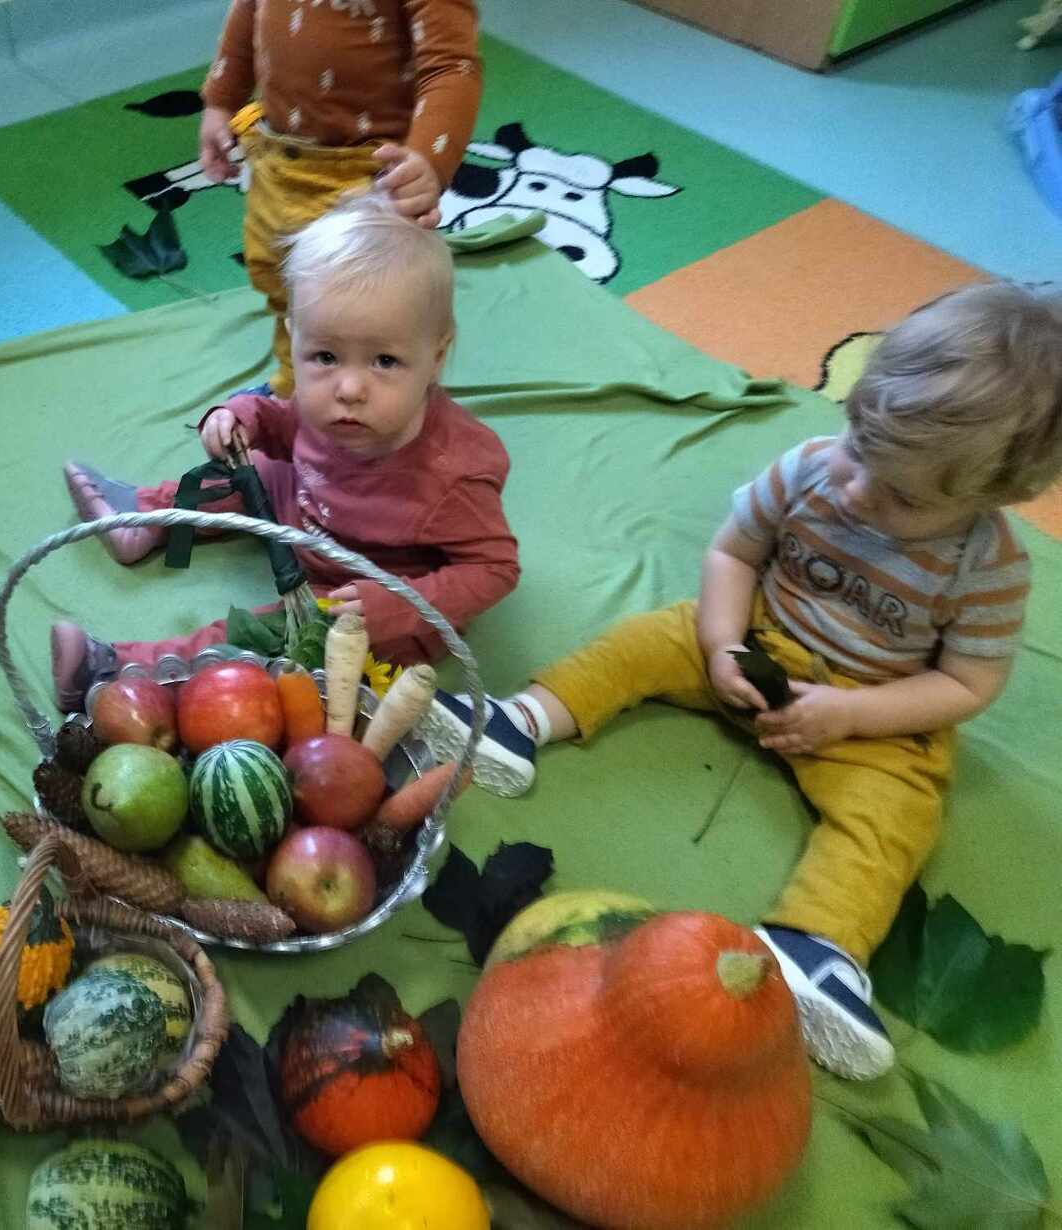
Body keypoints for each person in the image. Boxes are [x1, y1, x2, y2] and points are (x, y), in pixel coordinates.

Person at [422, 281, 1062, 1080]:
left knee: (898, 814)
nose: (856, 489)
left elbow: (967, 686)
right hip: (756, 639)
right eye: (858, 445)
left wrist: (855, 716)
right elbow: (734, 553)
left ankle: (815, 947)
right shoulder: (810, 470)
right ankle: (521, 720)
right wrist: (722, 643)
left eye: (899, 494)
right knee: (649, 639)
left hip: (873, 710)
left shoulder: (988, 567)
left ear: (996, 496)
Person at [54, 193, 518, 710]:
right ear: (294, 337)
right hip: (305, 509)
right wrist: (240, 417)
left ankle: (121, 670)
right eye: (325, 356)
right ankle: (147, 517)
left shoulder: (453, 475)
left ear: (436, 356)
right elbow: (286, 423)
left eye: (385, 361)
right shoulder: (337, 407)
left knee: (273, 638)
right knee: (248, 465)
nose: (349, 388)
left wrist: (402, 605)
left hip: (365, 593)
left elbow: (495, 569)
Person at [198, 0, 482, 395]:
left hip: (367, 175)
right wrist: (221, 101)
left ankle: (387, 404)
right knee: (285, 286)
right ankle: (297, 389)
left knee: (365, 306)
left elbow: (451, 68)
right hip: (279, 161)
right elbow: (249, 13)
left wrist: (429, 162)